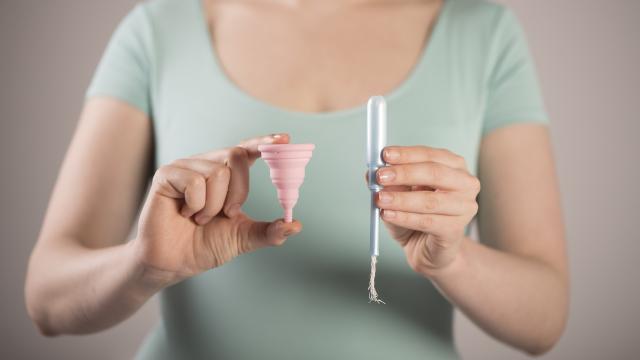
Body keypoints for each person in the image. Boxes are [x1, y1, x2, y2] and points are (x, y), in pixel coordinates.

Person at [25, 0, 569, 358]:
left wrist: (453, 260)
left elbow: (543, 318)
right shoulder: (159, 29)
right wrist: (142, 267)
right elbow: (47, 299)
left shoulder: (481, 30)